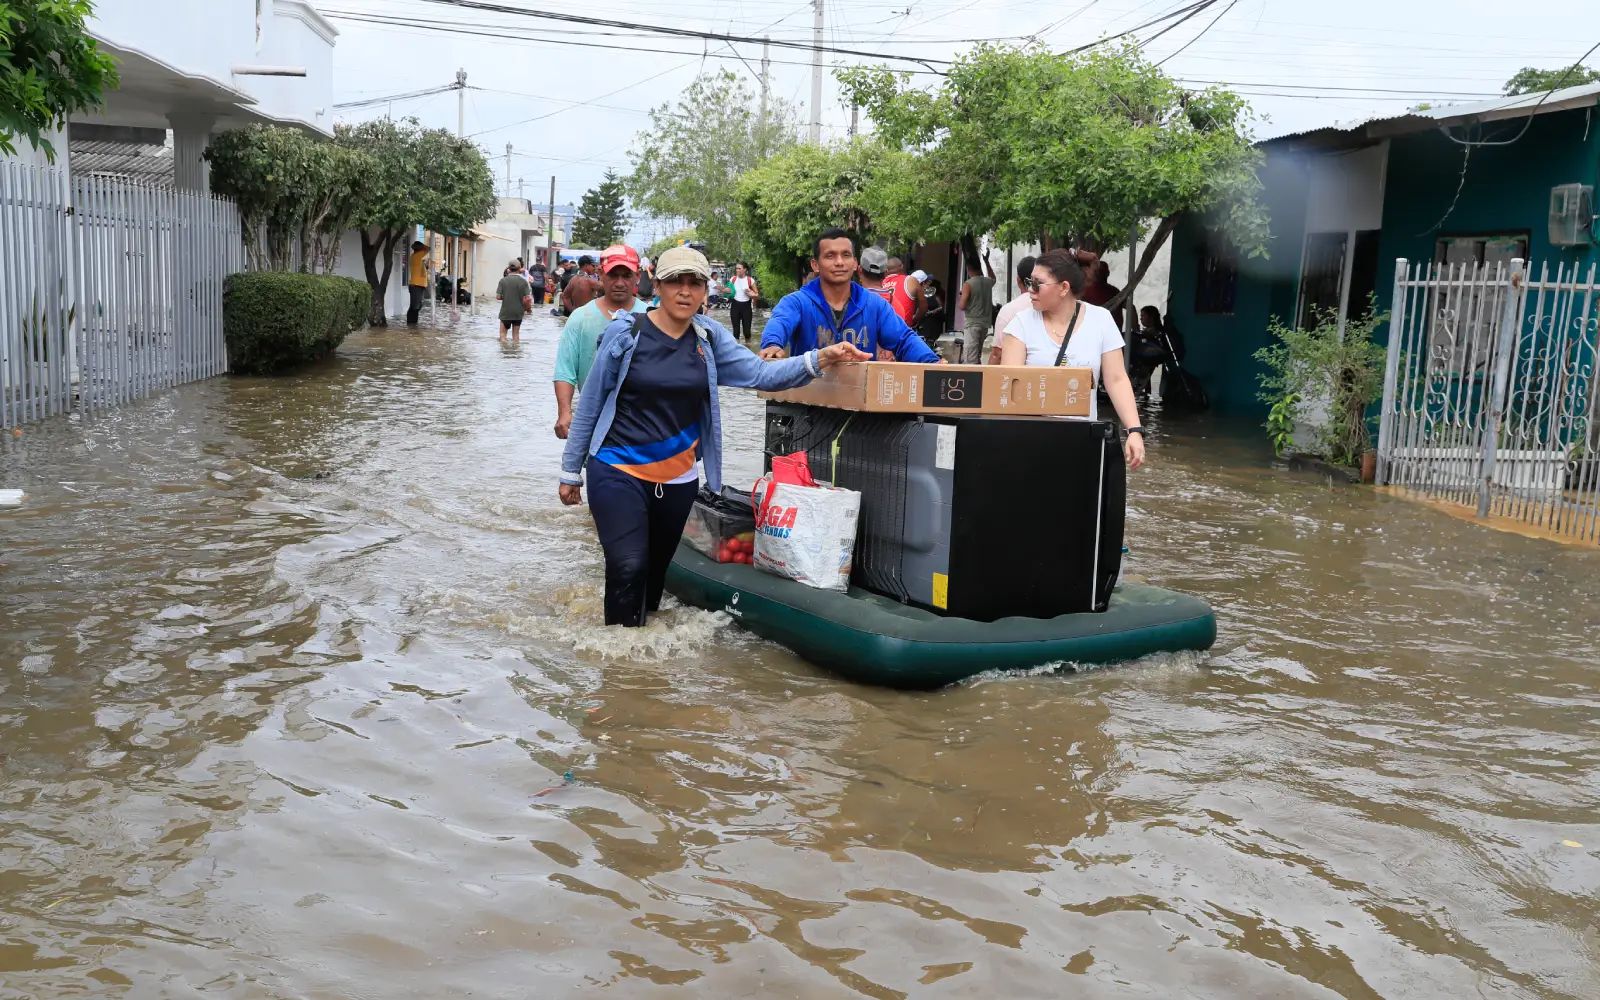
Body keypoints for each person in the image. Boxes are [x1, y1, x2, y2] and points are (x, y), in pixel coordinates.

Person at [558, 245, 870, 627]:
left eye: (695, 283)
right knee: (627, 566)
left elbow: (761, 374)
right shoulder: (626, 334)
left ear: (706, 290)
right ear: (656, 285)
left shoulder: (708, 338)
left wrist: (821, 357)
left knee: (653, 577)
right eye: (675, 282)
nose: (685, 291)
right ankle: (619, 670)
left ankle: (643, 667)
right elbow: (590, 401)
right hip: (616, 469)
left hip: (677, 480)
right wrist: (571, 472)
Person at [1000, 248, 1146, 469]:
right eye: (1030, 282)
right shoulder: (1020, 325)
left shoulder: (1101, 321)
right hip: (1029, 441)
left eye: (1038, 284)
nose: (1030, 290)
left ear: (1063, 288)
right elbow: (1008, 389)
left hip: (1083, 441)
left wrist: (1134, 430)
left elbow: (1116, 379)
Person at [758, 228, 942, 363]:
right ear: (815, 265)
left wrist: (932, 362)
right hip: (809, 403)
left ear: (854, 263)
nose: (839, 262)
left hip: (858, 404)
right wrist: (772, 345)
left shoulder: (874, 305)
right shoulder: (796, 302)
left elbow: (903, 339)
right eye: (830, 256)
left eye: (845, 255)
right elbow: (780, 322)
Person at [553, 244, 650, 439]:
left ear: (637, 277)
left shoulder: (652, 317)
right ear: (601, 275)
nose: (620, 283)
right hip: (593, 417)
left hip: (641, 421)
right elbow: (565, 370)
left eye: (627, 275)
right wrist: (564, 411)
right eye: (613, 275)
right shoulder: (580, 318)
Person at [956, 262, 995, 364]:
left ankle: (971, 378)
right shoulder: (988, 282)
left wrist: (962, 296)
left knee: (970, 358)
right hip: (985, 324)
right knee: (977, 354)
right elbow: (993, 278)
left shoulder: (968, 284)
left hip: (972, 324)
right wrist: (987, 262)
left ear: (969, 269)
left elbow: (962, 306)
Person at [880, 257, 926, 328]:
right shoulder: (910, 281)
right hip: (902, 330)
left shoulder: (879, 283)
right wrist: (915, 319)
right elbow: (923, 307)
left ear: (886, 270)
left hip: (882, 329)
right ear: (902, 266)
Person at [1082, 260, 1125, 332]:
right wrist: (1136, 328)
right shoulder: (1115, 291)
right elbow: (1131, 308)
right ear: (1108, 273)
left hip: (1093, 332)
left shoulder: (1084, 291)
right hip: (1112, 334)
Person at [496, 261, 531, 342]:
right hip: (518, 312)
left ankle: (504, 353)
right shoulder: (523, 281)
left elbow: (498, 297)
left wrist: (507, 296)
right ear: (519, 269)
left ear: (509, 269)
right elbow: (528, 299)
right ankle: (515, 353)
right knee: (516, 336)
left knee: (502, 336)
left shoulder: (503, 281)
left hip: (505, 312)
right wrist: (527, 309)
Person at [728, 262, 759, 342]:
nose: (737, 270)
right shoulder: (733, 279)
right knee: (736, 331)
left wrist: (751, 294)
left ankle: (748, 348)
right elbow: (728, 292)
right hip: (735, 306)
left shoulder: (750, 280)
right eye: (736, 268)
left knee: (747, 331)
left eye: (739, 268)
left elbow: (757, 295)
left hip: (746, 307)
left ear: (745, 269)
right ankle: (736, 350)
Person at [405, 240, 430, 326]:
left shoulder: (415, 256)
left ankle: (412, 324)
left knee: (416, 305)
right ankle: (411, 323)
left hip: (418, 285)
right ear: (420, 249)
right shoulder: (419, 255)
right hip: (416, 285)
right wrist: (423, 247)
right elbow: (429, 248)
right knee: (415, 306)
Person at [918, 278, 945, 347]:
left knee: (931, 338)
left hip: (933, 320)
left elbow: (941, 307)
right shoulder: (919, 294)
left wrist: (932, 312)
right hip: (924, 320)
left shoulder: (934, 294)